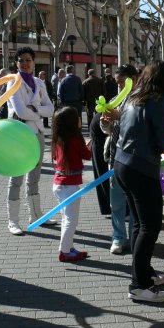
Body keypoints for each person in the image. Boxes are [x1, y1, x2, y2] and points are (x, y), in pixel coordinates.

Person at [114, 61, 164, 302]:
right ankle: (139, 285)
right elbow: (162, 144)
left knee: (141, 224)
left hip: (123, 163)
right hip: (140, 167)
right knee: (149, 225)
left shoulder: (134, 98)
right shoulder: (159, 101)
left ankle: (144, 272)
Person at [6, 47, 55, 235]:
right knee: (16, 177)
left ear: (33, 62)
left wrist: (33, 110)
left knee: (34, 177)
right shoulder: (13, 83)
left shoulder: (39, 83)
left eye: (28, 60)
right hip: (19, 135)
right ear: (16, 63)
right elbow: (20, 112)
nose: (25, 63)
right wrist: (38, 110)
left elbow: (50, 109)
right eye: (21, 60)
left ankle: (36, 216)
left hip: (38, 134)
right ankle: (13, 221)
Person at [100, 64, 139, 255]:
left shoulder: (141, 101)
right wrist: (105, 122)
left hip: (134, 158)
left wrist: (120, 116)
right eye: (117, 83)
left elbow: (137, 126)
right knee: (116, 202)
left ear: (134, 79)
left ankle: (134, 236)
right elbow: (108, 130)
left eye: (123, 82)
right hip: (115, 156)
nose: (119, 86)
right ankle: (118, 237)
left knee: (133, 201)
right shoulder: (115, 100)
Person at [51, 106, 92, 262]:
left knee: (66, 218)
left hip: (58, 184)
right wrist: (90, 144)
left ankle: (68, 247)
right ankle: (65, 251)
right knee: (71, 220)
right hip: (69, 186)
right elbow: (87, 156)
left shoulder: (58, 139)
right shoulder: (76, 139)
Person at [89, 112, 111, 216]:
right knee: (104, 175)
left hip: (99, 141)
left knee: (102, 175)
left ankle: (107, 207)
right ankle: (108, 207)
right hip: (100, 143)